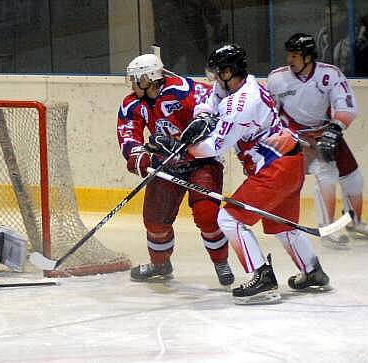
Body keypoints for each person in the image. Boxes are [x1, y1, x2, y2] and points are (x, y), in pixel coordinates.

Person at [149, 44, 331, 304]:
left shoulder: (242, 104)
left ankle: (262, 276)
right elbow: (208, 102)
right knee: (283, 226)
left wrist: (178, 148)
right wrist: (201, 118)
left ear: (227, 71)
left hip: (274, 168)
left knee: (229, 219)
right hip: (289, 165)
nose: (213, 79)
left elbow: (214, 148)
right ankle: (312, 271)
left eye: (216, 73)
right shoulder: (238, 85)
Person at [117, 53, 233, 286]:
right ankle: (160, 264)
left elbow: (218, 104)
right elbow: (129, 133)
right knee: (155, 220)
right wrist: (137, 155)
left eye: (135, 79)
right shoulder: (132, 103)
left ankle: (221, 263)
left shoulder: (183, 89)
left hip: (201, 161)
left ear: (149, 78)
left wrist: (208, 125)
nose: (132, 84)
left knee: (207, 215)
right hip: (166, 163)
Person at [267, 33, 368, 247]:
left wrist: (334, 130)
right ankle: (327, 229)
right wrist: (284, 136)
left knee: (354, 179)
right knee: (326, 177)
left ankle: (354, 222)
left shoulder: (330, 74)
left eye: (294, 55)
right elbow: (269, 113)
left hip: (326, 131)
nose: (289, 60)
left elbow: (346, 105)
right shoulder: (277, 79)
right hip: (296, 137)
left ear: (308, 57)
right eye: (289, 55)